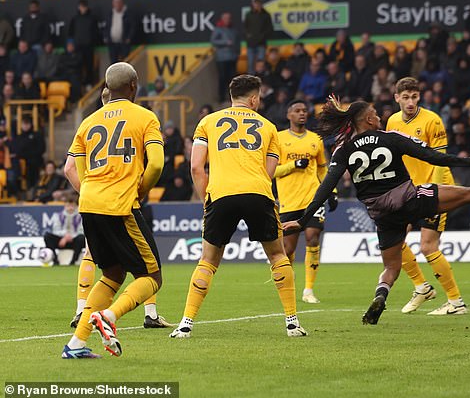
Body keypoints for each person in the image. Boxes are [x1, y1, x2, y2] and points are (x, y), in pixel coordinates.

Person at [282, 97, 470, 325]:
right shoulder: (390, 137)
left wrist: (302, 220)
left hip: (381, 214)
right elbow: (433, 156)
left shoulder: (343, 149)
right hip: (410, 199)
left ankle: (380, 296)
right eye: (375, 114)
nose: (379, 117)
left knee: (391, 266)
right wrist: (469, 161)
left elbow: (324, 188)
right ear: (367, 120)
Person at [170, 74, 307, 339]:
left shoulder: (207, 122)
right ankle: (292, 322)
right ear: (254, 98)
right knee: (278, 256)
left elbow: (196, 167)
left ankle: (185, 323)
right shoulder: (268, 128)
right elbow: (269, 172)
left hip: (221, 194)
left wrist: (206, 200)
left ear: (232, 96)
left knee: (208, 261)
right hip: (258, 193)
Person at [61, 62, 164, 358]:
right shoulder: (145, 117)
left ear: (106, 87)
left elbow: (76, 169)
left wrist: (94, 192)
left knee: (113, 274)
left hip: (90, 204)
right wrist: (141, 190)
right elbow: (156, 164)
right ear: (134, 86)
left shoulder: (87, 122)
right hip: (120, 205)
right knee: (151, 277)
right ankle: (109, 316)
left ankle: (76, 344)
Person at [387, 77, 467, 315]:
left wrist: (433, 190)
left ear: (419, 97)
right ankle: (422, 287)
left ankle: (455, 301)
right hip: (408, 191)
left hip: (436, 189)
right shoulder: (392, 121)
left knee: (428, 246)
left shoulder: (432, 120)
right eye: (405, 97)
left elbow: (441, 161)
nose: (410, 102)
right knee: (394, 241)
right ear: (397, 98)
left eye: (414, 97)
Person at [274, 100, 336, 304]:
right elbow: (271, 171)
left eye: (304, 111)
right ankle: (288, 288)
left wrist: (331, 191)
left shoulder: (315, 139)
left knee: (312, 238)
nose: (302, 114)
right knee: (288, 249)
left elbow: (322, 168)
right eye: (297, 111)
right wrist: (293, 165)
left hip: (312, 199)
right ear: (288, 115)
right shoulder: (279, 139)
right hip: (289, 201)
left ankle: (308, 290)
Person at [43, 193, 85, 266]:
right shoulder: (58, 216)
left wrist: (70, 236)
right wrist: (65, 236)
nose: (70, 208)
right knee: (47, 236)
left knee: (81, 238)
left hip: (75, 241)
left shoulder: (80, 217)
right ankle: (55, 260)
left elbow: (81, 231)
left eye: (72, 206)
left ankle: (73, 261)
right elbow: (55, 230)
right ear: (65, 206)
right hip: (61, 241)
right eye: (68, 205)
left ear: (76, 206)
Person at [68, 0, 100, 86]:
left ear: (87, 7)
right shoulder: (75, 19)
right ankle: (79, 84)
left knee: (89, 65)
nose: (82, 9)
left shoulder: (92, 18)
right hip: (77, 47)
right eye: (81, 7)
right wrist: (70, 43)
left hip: (89, 47)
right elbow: (70, 33)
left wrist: (93, 43)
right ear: (79, 7)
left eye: (84, 7)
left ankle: (89, 83)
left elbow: (96, 32)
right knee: (78, 66)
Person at [211, 12, 239, 103]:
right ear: (222, 19)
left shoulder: (233, 29)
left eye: (229, 18)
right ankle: (221, 97)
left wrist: (237, 52)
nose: (228, 20)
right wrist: (225, 42)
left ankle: (232, 97)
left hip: (232, 57)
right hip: (222, 58)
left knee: (232, 78)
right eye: (226, 18)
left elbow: (237, 42)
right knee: (222, 78)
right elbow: (213, 41)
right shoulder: (218, 29)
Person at [243, 0, 273, 74]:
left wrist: (262, 37)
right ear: (252, 3)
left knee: (261, 64)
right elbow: (245, 28)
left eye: (258, 2)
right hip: (251, 44)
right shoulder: (248, 15)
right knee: (250, 64)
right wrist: (248, 37)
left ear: (261, 3)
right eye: (255, 2)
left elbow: (270, 29)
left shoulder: (266, 15)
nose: (257, 4)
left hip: (261, 44)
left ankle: (260, 81)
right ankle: (251, 83)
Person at [104, 0, 135, 64]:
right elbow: (106, 27)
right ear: (113, 4)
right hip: (112, 43)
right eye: (115, 2)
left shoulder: (128, 13)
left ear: (122, 3)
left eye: (118, 2)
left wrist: (129, 38)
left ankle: (125, 75)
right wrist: (106, 37)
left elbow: (132, 27)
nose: (117, 4)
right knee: (113, 63)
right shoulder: (110, 14)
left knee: (125, 62)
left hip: (124, 43)